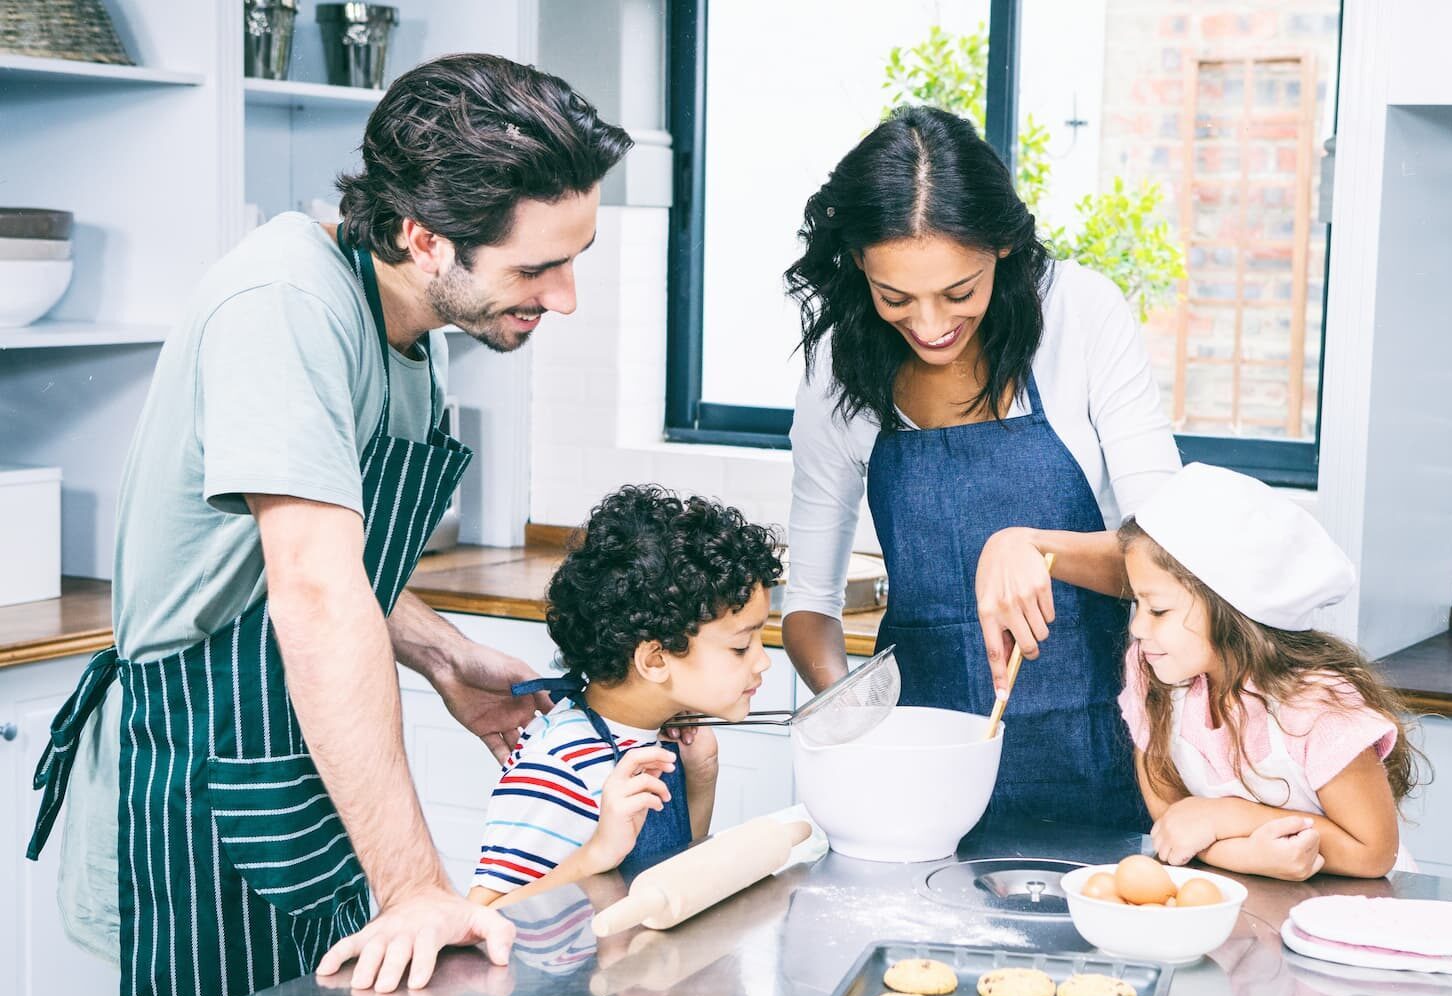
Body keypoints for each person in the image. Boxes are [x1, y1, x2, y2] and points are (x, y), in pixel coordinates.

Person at [26, 53, 632, 996]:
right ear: (424, 237)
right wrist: (417, 888)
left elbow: (322, 556)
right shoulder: (289, 306)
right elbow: (310, 586)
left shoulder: (406, 321)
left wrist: (442, 655)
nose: (563, 296)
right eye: (536, 268)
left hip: (296, 762)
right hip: (207, 773)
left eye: (575, 257)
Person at [782, 104, 1181, 829]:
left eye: (958, 292)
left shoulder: (1080, 316)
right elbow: (809, 604)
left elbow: (1174, 561)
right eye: (895, 298)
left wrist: (1036, 547)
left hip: (1106, 759)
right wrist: (857, 720)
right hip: (922, 784)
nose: (930, 325)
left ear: (1001, 247)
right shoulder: (840, 367)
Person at [467, 485, 782, 906]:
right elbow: (483, 915)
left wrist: (702, 778)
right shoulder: (560, 766)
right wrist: (598, 851)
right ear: (653, 660)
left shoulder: (658, 735)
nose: (763, 662)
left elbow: (672, 879)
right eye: (742, 646)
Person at [1118, 463, 1423, 879]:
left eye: (1158, 609)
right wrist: (1247, 857)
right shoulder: (1152, 675)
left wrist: (1229, 816)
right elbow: (1173, 825)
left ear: (1231, 610)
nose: (1137, 628)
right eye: (1137, 604)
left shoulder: (1316, 706)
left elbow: (1373, 852)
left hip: (1351, 914)